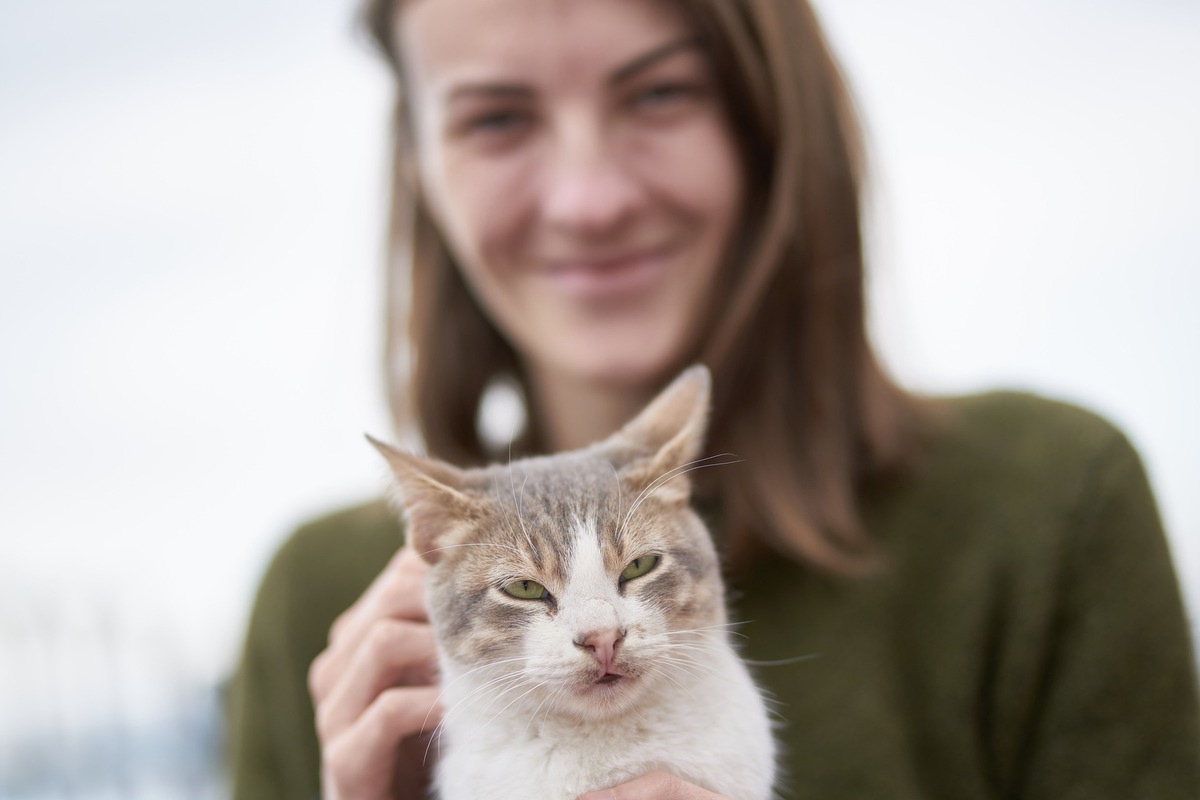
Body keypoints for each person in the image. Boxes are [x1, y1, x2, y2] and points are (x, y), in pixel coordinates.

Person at [227, 0, 1200, 797]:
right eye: (497, 117)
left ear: (768, 118)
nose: (589, 198)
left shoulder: (1047, 504)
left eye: (658, 93)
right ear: (418, 165)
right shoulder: (323, 610)